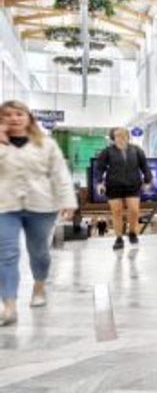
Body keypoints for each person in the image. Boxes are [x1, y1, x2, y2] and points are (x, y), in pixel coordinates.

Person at [0, 100, 76, 325]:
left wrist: (67, 201)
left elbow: (60, 174)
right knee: (6, 254)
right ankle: (9, 306)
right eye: (7, 115)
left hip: (41, 205)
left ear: (28, 118)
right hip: (5, 205)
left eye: (18, 114)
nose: (14, 118)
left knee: (39, 252)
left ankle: (39, 286)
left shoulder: (46, 143)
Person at [94, 127, 152, 250]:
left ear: (128, 137)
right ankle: (119, 238)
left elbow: (145, 167)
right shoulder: (107, 152)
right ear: (114, 138)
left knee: (134, 211)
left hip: (133, 185)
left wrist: (147, 180)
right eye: (118, 136)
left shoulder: (137, 150)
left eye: (123, 136)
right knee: (117, 213)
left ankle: (132, 233)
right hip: (113, 186)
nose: (120, 139)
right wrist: (99, 183)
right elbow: (99, 168)